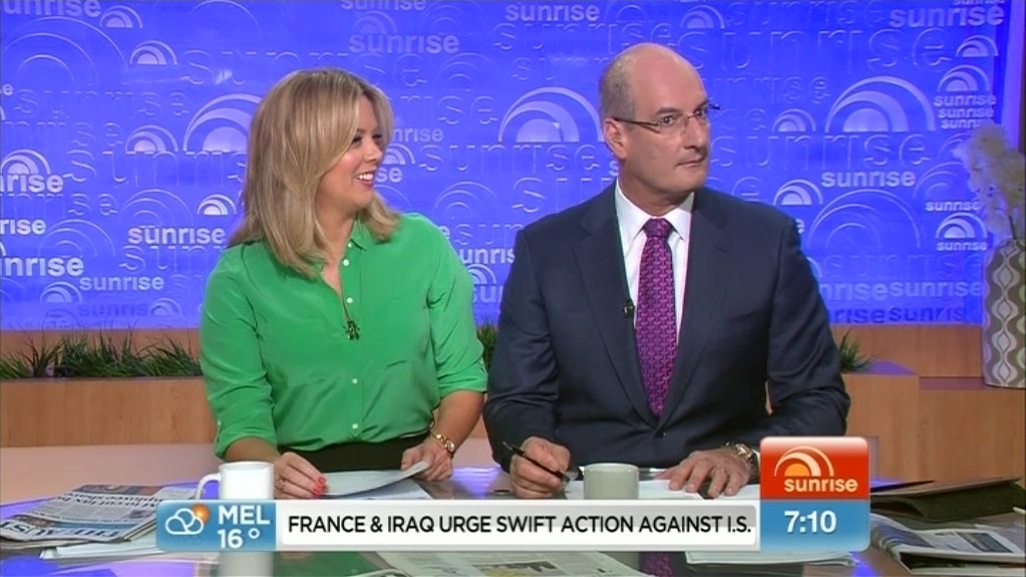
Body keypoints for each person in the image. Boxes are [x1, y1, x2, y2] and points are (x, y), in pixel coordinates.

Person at [483, 43, 850, 501]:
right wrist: (528, 449)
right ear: (617, 137)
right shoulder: (548, 250)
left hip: (722, 506)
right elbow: (516, 400)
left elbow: (819, 401)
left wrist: (743, 455)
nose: (697, 138)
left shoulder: (765, 242)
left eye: (701, 114)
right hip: (590, 504)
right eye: (669, 120)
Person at [199, 68, 486, 499]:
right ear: (302, 152)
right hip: (300, 494)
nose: (375, 153)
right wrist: (273, 468)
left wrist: (441, 443)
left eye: (376, 138)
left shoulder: (422, 246)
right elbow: (242, 423)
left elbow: (463, 377)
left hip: (411, 483)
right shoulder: (239, 278)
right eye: (354, 140)